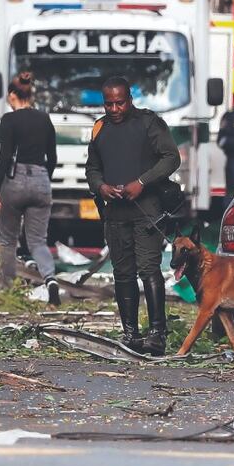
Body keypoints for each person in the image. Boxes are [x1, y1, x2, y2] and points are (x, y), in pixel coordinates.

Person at [85, 77, 180, 356]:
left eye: (120, 102)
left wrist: (142, 182)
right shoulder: (99, 128)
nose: (114, 108)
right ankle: (131, 333)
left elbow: (171, 158)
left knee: (149, 269)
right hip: (114, 213)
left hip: (147, 211)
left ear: (130, 99)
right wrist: (101, 186)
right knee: (122, 273)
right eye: (109, 103)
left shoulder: (149, 123)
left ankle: (157, 334)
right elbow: (91, 168)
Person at [0, 72, 59, 302]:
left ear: (12, 96)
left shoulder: (9, 120)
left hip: (15, 180)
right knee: (38, 240)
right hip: (41, 179)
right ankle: (50, 279)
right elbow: (53, 157)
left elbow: (5, 157)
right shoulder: (44, 119)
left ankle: (7, 287)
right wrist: (43, 179)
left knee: (9, 239)